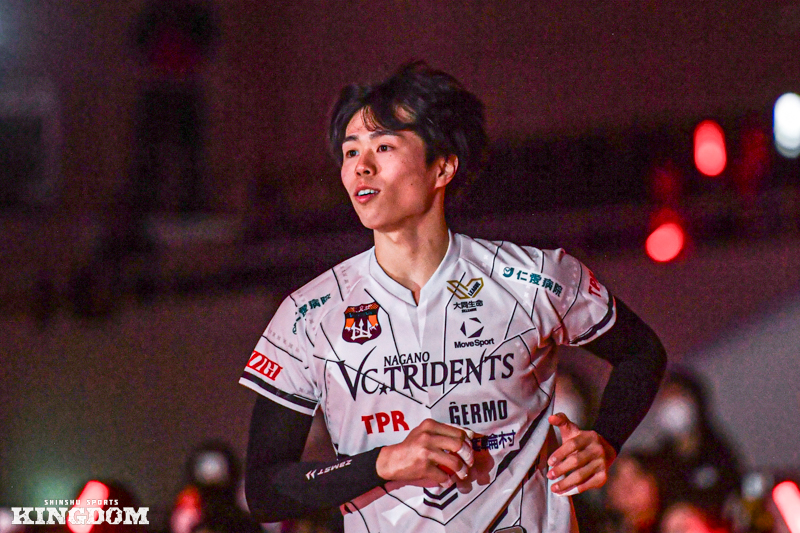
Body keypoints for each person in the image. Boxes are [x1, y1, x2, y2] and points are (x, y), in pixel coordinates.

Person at [239, 62, 667, 533]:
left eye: (383, 147)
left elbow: (642, 353)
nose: (361, 166)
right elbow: (265, 492)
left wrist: (606, 439)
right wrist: (382, 463)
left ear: (442, 166)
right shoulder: (309, 313)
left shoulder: (533, 278)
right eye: (350, 151)